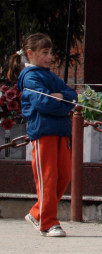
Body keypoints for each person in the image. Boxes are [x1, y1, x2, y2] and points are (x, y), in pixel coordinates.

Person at [12, 33, 77, 238]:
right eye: (44, 52)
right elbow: (43, 103)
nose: (50, 57)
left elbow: (72, 95)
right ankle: (48, 223)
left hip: (61, 131)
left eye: (50, 52)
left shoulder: (50, 76)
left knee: (64, 175)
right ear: (30, 53)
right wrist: (63, 104)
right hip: (43, 132)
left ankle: (37, 213)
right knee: (48, 178)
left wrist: (63, 99)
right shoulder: (30, 77)